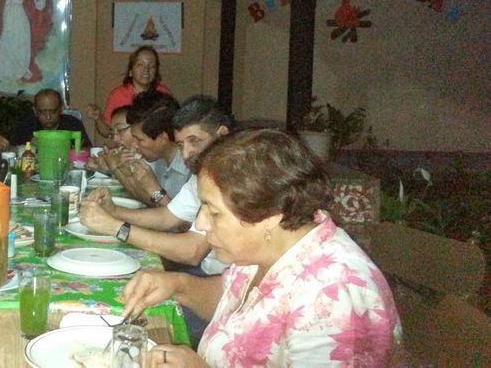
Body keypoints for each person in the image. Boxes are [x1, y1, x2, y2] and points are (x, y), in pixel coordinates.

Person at [120, 129, 401, 366]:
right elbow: (236, 301)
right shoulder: (274, 245)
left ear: (270, 214)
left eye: (213, 212)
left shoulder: (332, 296)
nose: (201, 224)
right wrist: (177, 285)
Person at [80, 95, 233, 345]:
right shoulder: (204, 171)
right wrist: (114, 211)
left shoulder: (233, 177)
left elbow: (192, 251)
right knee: (115, 295)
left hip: (224, 290)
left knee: (131, 323)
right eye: (182, 144)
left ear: (223, 134)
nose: (187, 153)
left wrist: (116, 227)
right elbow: (168, 216)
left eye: (195, 141)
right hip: (205, 275)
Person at [110, 91, 188, 206]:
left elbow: (180, 217)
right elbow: (150, 202)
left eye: (140, 139)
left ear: (163, 137)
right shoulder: (159, 159)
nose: (135, 145)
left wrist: (155, 189)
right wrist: (126, 175)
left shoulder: (190, 167)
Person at [86, 45, 171, 139]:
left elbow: (171, 128)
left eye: (152, 66)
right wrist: (98, 118)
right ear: (130, 71)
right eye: (140, 65)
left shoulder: (164, 93)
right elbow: (108, 132)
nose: (146, 70)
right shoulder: (118, 95)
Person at [8, 88, 92, 148]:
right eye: (42, 112)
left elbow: (88, 151)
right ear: (35, 111)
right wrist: (29, 146)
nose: (48, 117)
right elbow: (10, 150)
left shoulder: (73, 124)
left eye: (53, 111)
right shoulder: (26, 125)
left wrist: (69, 149)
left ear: (61, 109)